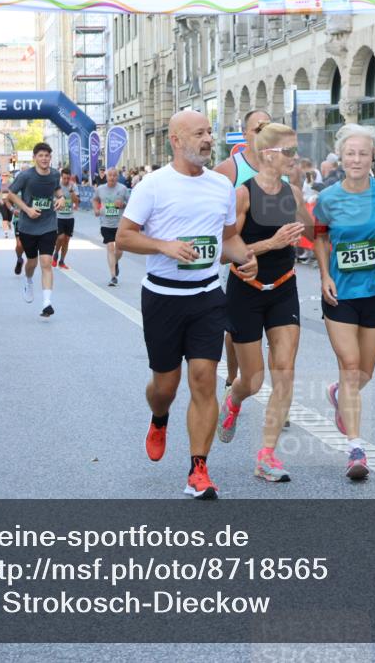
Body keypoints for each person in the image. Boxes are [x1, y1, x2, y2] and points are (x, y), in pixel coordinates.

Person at [116, 110, 257, 500]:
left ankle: (198, 469)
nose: (208, 139)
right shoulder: (153, 186)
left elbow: (228, 239)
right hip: (162, 296)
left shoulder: (221, 186)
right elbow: (124, 238)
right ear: (176, 141)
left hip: (207, 294)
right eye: (199, 133)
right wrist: (164, 245)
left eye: (209, 132)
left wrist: (245, 256)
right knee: (166, 385)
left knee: (202, 378)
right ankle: (159, 418)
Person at [216, 123, 311, 482]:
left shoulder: (294, 194)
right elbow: (226, 250)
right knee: (253, 381)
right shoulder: (242, 194)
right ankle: (235, 399)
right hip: (246, 290)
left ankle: (266, 456)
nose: (294, 158)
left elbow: (309, 232)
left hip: (284, 287)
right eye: (289, 152)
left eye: (295, 151)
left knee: (284, 371)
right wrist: (269, 243)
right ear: (268, 154)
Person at [313, 124, 375, 479]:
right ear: (341, 156)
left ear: (373, 156)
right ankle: (355, 449)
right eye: (350, 153)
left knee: (364, 372)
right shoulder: (328, 199)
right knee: (350, 365)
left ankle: (338, 394)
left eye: (363, 153)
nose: (356, 159)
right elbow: (319, 238)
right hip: (340, 295)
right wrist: (324, 275)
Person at [213, 110, 275, 397]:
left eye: (267, 127)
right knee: (234, 330)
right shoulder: (230, 168)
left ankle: (280, 396)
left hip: (278, 264)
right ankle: (234, 377)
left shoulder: (282, 166)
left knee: (279, 335)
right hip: (240, 258)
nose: (261, 133)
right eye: (256, 128)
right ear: (245, 133)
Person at [5, 142, 65, 317]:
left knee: (46, 262)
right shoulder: (25, 176)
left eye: (47, 155)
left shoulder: (54, 174)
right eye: (41, 155)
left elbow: (57, 188)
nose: (44, 158)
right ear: (35, 158)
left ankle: (47, 303)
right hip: (28, 226)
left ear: (50, 158)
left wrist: (61, 198)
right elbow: (11, 194)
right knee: (32, 262)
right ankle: (29, 280)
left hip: (48, 224)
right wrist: (27, 209)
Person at [93, 168, 130, 286]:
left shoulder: (123, 189)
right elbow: (94, 199)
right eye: (110, 175)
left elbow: (132, 204)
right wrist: (96, 209)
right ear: (106, 176)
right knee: (110, 246)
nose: (112, 177)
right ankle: (113, 277)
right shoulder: (100, 189)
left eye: (115, 175)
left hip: (120, 224)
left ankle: (115, 262)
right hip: (106, 223)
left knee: (119, 250)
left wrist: (123, 204)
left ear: (117, 177)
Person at [53, 168, 78, 269]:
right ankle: (55, 253)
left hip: (70, 216)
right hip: (59, 216)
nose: (66, 180)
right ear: (61, 177)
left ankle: (62, 261)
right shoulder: (57, 186)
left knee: (67, 240)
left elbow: (76, 201)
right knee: (60, 237)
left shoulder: (73, 186)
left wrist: (71, 192)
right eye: (64, 178)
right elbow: (52, 198)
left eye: (68, 178)